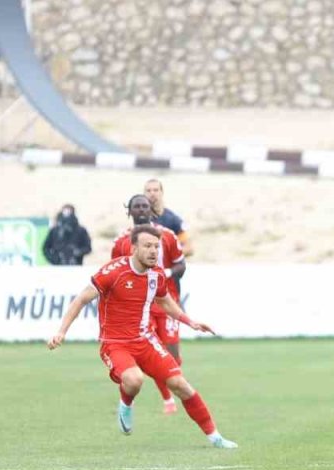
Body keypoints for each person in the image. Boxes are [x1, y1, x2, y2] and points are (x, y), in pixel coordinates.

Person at [48, 225, 237, 449]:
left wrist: (190, 321)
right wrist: (61, 331)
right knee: (134, 379)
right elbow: (81, 299)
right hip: (115, 344)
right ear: (134, 248)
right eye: (147, 246)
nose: (153, 251)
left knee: (181, 384)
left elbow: (165, 301)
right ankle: (125, 404)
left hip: (145, 341)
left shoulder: (156, 274)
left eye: (156, 246)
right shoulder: (113, 272)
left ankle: (215, 437)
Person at [113, 195, 187, 414]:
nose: (141, 210)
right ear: (130, 212)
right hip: (139, 307)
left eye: (145, 206)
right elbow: (114, 273)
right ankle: (167, 400)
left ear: (152, 210)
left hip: (166, 302)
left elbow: (181, 265)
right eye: (137, 207)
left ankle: (172, 392)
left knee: (171, 355)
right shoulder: (121, 242)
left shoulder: (168, 236)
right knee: (148, 354)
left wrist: (167, 273)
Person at [144, 178, 192, 257]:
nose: (152, 193)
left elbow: (188, 248)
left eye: (155, 190)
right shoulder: (139, 218)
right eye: (148, 191)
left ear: (162, 192)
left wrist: (167, 258)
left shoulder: (173, 220)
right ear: (144, 194)